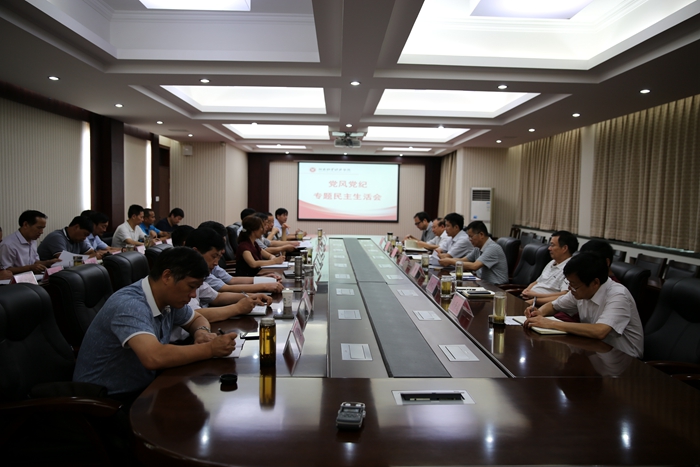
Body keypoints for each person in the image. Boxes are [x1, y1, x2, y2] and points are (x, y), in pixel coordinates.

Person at [73, 247, 238, 399]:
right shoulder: (130, 305)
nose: (194, 295)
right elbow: (153, 357)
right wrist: (210, 349)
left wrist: (201, 333)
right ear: (167, 277)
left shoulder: (167, 298)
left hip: (146, 388)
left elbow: (196, 318)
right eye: (191, 286)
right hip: (106, 400)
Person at [524, 252, 644, 358]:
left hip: (623, 359)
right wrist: (539, 313)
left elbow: (600, 331)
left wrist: (550, 323)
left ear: (595, 283)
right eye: (569, 283)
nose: (570, 288)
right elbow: (554, 306)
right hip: (595, 351)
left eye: (574, 285)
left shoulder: (619, 295)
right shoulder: (580, 290)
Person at [195, 221, 284, 294]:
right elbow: (225, 289)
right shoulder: (244, 246)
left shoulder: (213, 266)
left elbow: (232, 280)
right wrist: (264, 284)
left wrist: (263, 279)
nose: (223, 250)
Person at [439, 220, 509, 284]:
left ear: (481, 235)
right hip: (483, 283)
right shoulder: (478, 248)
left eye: (471, 236)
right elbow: (463, 260)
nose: (470, 239)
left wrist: (450, 261)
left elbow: (474, 266)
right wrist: (447, 259)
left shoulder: (493, 248)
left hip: (496, 287)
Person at [520, 230, 579, 303]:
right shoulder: (552, 262)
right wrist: (527, 290)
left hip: (540, 303)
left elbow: (564, 295)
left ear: (564, 248)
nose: (549, 248)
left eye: (552, 245)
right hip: (529, 298)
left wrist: (535, 297)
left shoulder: (571, 268)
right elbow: (537, 281)